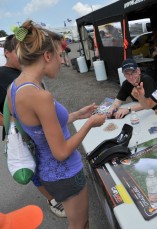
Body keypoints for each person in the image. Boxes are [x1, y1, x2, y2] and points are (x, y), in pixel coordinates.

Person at [7, 20, 106, 228]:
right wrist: (89, 123)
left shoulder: (15, 88)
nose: (62, 62)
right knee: (80, 224)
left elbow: (40, 129)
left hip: (48, 172)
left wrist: (77, 114)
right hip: (66, 172)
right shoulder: (40, 95)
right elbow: (60, 152)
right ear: (47, 56)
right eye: (59, 56)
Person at [0, 34, 67, 218]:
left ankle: (57, 189)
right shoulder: (2, 75)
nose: (22, 56)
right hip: (23, 134)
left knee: (45, 161)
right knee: (32, 167)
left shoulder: (24, 73)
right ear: (7, 53)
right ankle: (53, 199)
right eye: (18, 52)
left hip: (34, 129)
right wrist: (16, 122)